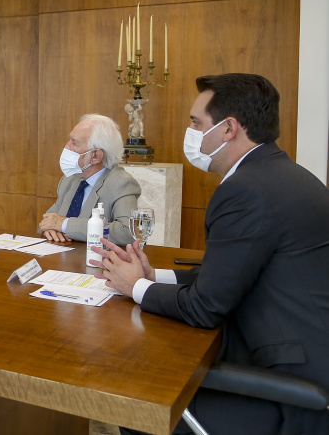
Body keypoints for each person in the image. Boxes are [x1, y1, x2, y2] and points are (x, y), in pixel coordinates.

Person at [98, 74, 329, 435]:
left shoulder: (245, 190)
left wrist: (136, 288)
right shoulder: (284, 175)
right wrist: (154, 276)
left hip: (287, 387)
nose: (190, 132)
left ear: (228, 129)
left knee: (137, 399)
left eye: (196, 123)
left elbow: (204, 308)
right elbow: (229, 274)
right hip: (303, 356)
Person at [39, 114, 139, 245]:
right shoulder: (69, 180)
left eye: (74, 143)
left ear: (96, 156)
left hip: (96, 257)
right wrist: (49, 229)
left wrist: (64, 225)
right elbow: (48, 221)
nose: (67, 147)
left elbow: (127, 233)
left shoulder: (122, 183)